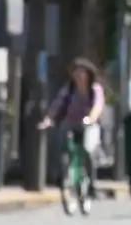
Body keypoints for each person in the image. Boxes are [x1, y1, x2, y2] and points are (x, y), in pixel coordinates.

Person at [38, 58, 106, 195]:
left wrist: (91, 118)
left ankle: (91, 184)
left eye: (82, 72)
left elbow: (98, 106)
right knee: (62, 141)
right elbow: (57, 104)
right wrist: (48, 119)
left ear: (88, 74)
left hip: (89, 123)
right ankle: (63, 173)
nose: (79, 76)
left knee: (88, 149)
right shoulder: (68, 89)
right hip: (71, 121)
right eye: (76, 72)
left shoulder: (95, 89)